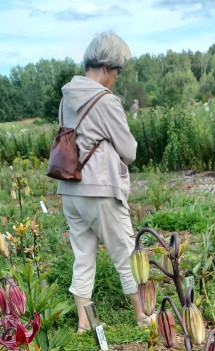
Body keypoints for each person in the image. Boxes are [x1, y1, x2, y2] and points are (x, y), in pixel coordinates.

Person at [57, 32, 154, 333]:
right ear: (106, 67)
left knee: (83, 256)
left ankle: (84, 322)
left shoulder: (67, 97)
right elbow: (130, 150)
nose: (117, 78)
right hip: (100, 188)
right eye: (118, 71)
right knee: (125, 252)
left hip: (70, 186)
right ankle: (143, 316)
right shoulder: (106, 101)